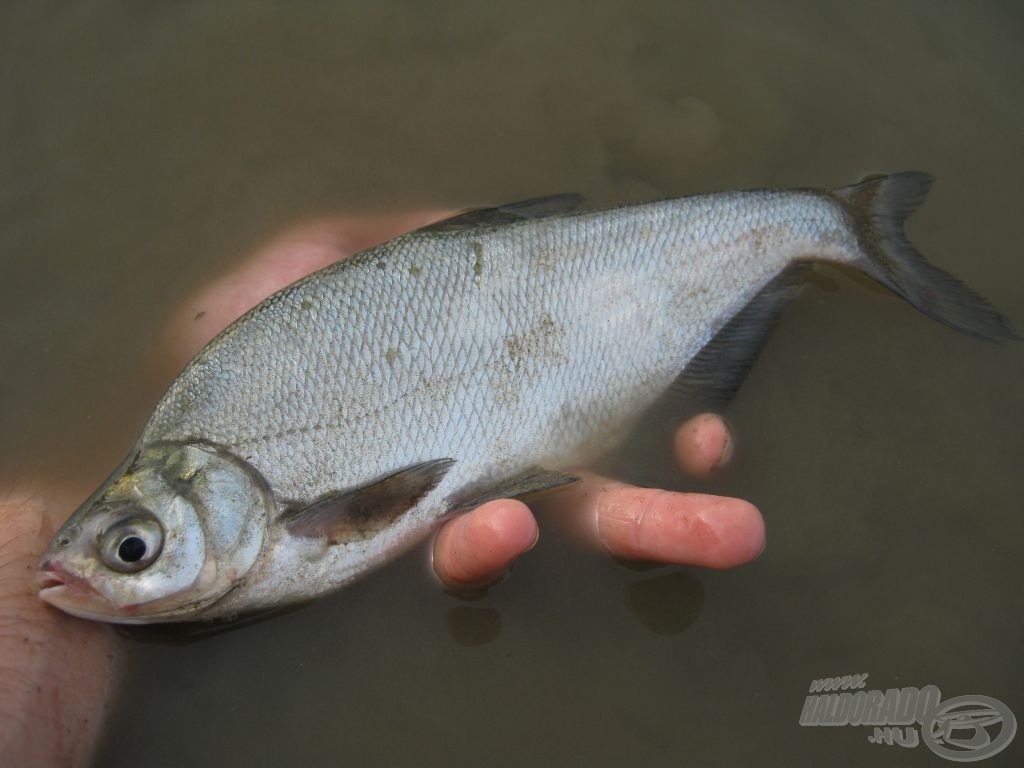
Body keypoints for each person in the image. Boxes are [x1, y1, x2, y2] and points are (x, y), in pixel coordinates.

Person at [0, 212, 765, 766]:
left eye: (133, 548)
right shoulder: (195, 433)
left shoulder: (257, 488)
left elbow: (401, 494)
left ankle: (814, 228)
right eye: (133, 549)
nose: (112, 567)